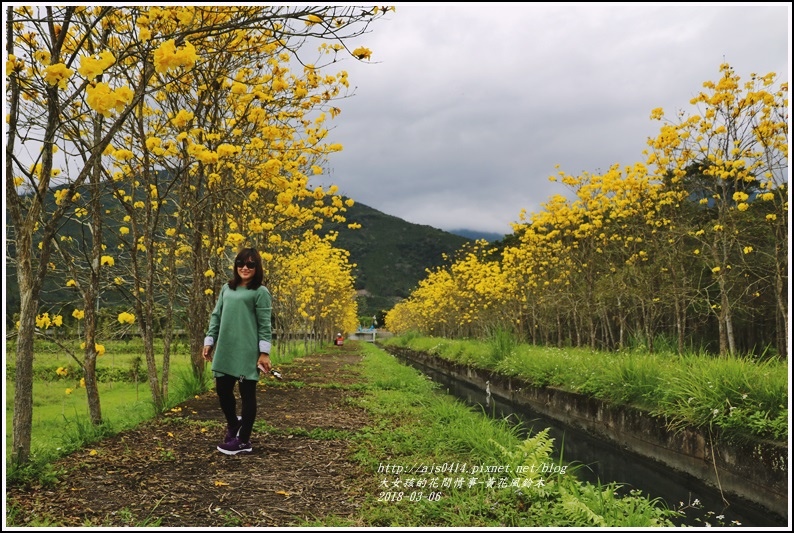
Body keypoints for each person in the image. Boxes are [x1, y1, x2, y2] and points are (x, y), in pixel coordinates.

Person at [203, 248, 272, 455]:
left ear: (257, 268)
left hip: (247, 351)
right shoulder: (227, 288)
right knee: (223, 390)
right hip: (226, 348)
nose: (245, 267)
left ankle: (243, 441)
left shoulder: (260, 292)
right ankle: (234, 424)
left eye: (250, 264)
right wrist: (209, 341)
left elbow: (265, 324)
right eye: (241, 263)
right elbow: (216, 316)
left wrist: (264, 353)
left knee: (247, 394)